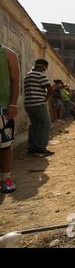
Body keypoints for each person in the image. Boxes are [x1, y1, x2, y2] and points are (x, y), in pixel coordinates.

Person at [24, 59, 54, 157]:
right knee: (45, 125)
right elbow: (50, 89)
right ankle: (41, 148)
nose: (44, 70)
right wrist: (45, 99)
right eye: (45, 68)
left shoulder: (27, 75)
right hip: (38, 104)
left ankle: (32, 147)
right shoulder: (40, 75)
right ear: (43, 67)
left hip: (28, 104)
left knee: (34, 125)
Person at [0, 45, 19, 193]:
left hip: (3, 109)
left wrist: (13, 104)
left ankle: (6, 178)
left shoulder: (8, 54)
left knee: (5, 145)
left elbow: (15, 81)